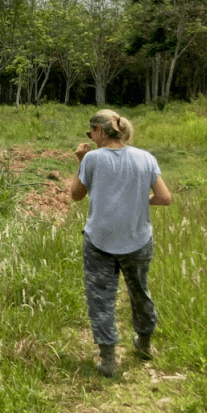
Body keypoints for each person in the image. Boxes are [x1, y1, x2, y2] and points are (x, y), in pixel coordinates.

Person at [69, 109, 172, 377]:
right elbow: (164, 198)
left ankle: (108, 360)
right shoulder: (145, 158)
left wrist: (81, 160)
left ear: (100, 131)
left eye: (91, 132)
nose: (90, 137)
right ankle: (144, 343)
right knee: (139, 292)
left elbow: (76, 195)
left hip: (99, 241)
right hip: (138, 239)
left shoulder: (92, 159)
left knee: (101, 298)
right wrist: (143, 200)